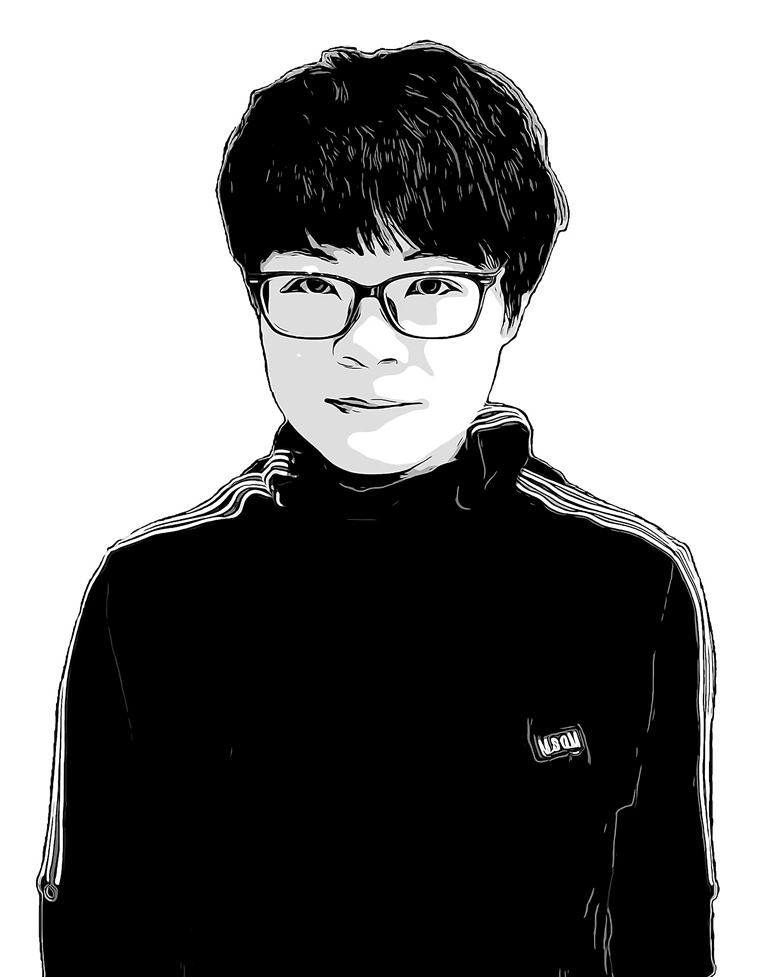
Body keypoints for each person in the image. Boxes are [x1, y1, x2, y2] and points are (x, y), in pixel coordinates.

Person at [36, 41, 717, 976]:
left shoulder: (627, 585)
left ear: (511, 304)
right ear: (256, 300)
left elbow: (663, 927)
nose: (367, 342)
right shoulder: (149, 595)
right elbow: (95, 936)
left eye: (430, 287)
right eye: (313, 286)